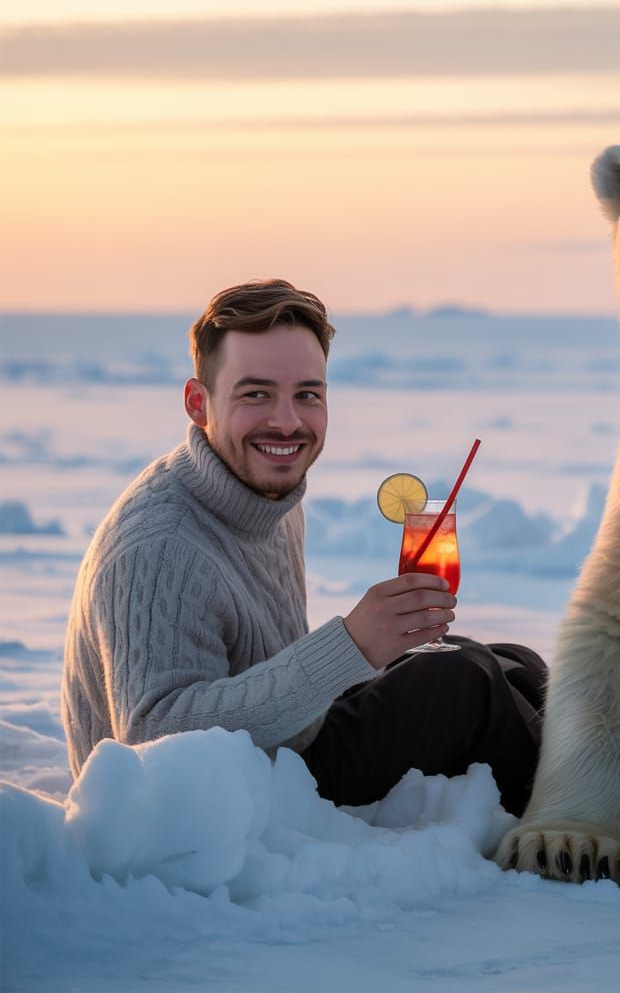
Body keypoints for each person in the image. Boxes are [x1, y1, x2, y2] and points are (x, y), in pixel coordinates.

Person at [61, 279, 546, 815]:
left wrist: (362, 654)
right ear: (199, 404)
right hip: (211, 809)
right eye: (256, 393)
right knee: (462, 680)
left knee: (511, 663)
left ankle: (611, 770)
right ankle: (568, 819)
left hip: (281, 742)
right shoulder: (161, 548)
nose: (287, 422)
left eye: (307, 394)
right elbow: (155, 740)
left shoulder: (270, 496)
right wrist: (349, 649)